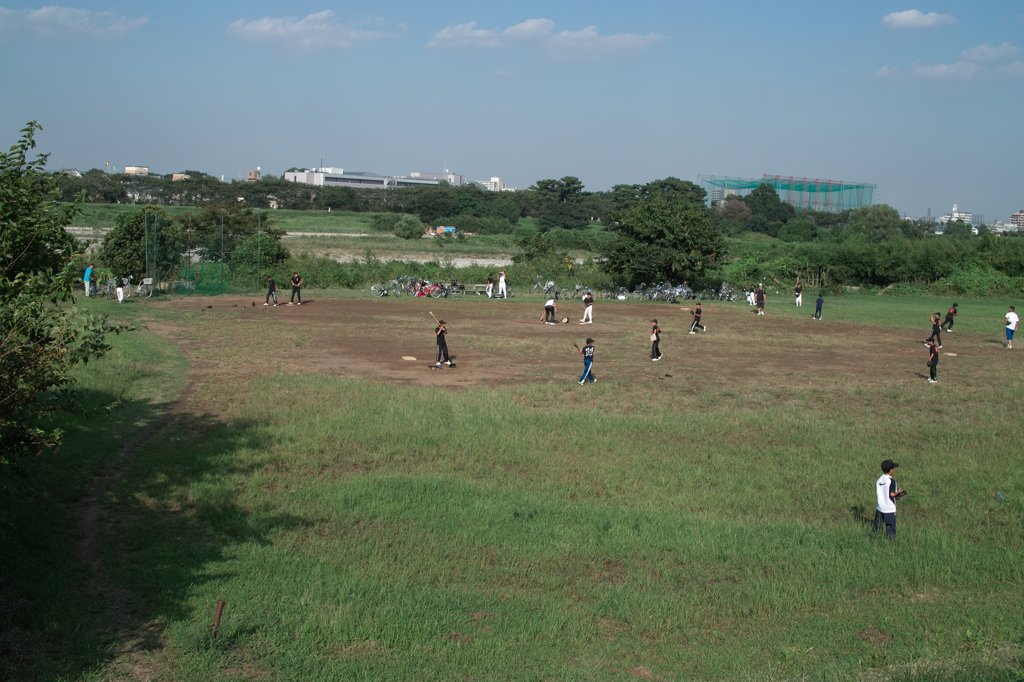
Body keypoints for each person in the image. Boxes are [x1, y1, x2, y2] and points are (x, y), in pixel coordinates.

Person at [873, 459, 903, 541]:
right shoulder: (891, 481)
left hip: (880, 507)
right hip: (889, 508)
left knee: (878, 525)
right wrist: (898, 493)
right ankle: (890, 541)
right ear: (891, 470)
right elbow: (891, 494)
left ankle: (876, 538)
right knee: (890, 526)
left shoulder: (879, 480)